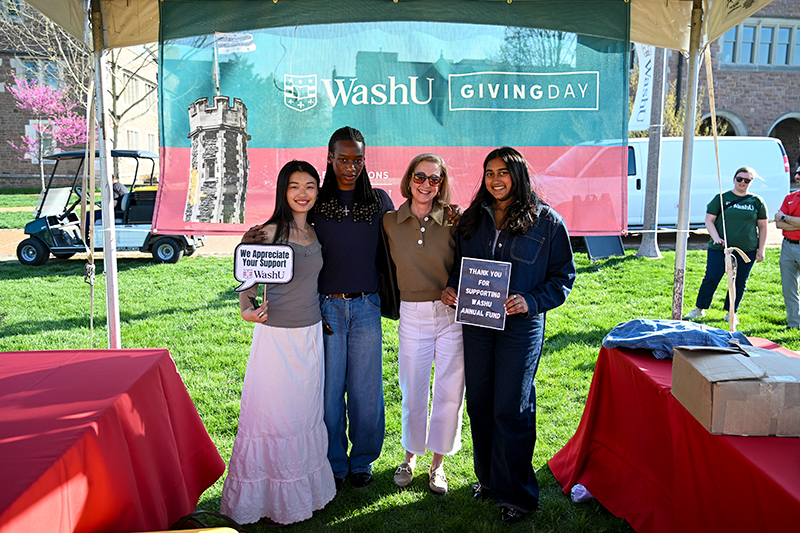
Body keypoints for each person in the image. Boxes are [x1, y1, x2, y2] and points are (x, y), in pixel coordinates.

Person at [442, 147, 575, 524]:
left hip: (520, 328)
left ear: (518, 175)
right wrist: (452, 288)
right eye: (489, 173)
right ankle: (488, 481)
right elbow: (458, 267)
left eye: (503, 172)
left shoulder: (547, 222)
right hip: (478, 324)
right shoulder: (473, 219)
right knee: (481, 403)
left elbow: (563, 278)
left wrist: (530, 301)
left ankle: (516, 495)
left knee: (512, 407)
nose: (496, 180)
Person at [221, 160, 336, 526]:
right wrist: (246, 308)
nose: (303, 194)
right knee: (272, 418)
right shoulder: (267, 232)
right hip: (276, 340)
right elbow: (246, 278)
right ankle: (265, 498)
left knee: (303, 417)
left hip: (310, 336)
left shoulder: (316, 232)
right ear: (283, 192)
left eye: (310, 186)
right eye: (294, 186)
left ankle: (305, 492)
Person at [310, 126, 393, 490]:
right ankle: (334, 462)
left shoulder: (378, 200)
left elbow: (408, 234)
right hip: (325, 309)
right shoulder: (316, 202)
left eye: (357, 159)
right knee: (328, 394)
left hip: (366, 307)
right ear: (330, 158)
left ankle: (362, 462)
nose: (350, 166)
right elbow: (286, 232)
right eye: (343, 159)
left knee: (366, 391)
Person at [382, 154, 465, 494]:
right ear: (409, 179)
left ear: (441, 184)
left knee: (449, 392)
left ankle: (438, 464)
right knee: (413, 391)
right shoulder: (389, 221)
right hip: (412, 315)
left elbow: (467, 261)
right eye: (420, 177)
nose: (426, 185)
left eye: (435, 179)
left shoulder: (453, 219)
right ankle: (410, 457)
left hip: (449, 317)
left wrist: (456, 287)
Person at [684, 166, 768, 324]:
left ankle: (731, 312)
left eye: (747, 180)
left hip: (747, 249)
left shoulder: (756, 201)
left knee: (739, 281)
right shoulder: (721, 198)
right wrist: (716, 237)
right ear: (734, 179)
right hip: (720, 248)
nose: (742, 182)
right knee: (712, 277)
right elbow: (709, 220)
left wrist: (761, 248)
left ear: (751, 182)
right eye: (740, 179)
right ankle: (699, 309)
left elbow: (763, 226)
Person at [776, 167, 800, 329]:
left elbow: (781, 218)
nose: (796, 176)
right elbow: (777, 224)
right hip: (787, 246)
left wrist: (785, 218)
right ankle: (794, 324)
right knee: (788, 288)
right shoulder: (790, 197)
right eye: (796, 173)